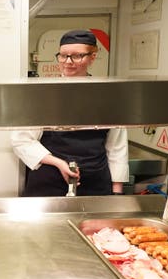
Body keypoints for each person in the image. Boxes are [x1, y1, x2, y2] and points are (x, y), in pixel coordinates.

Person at [11, 29, 128, 196]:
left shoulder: (108, 96)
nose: (68, 61)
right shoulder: (42, 94)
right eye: (63, 55)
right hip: (49, 180)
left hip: (95, 182)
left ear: (92, 57)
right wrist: (58, 163)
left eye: (77, 56)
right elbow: (21, 140)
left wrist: (117, 193)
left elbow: (116, 147)